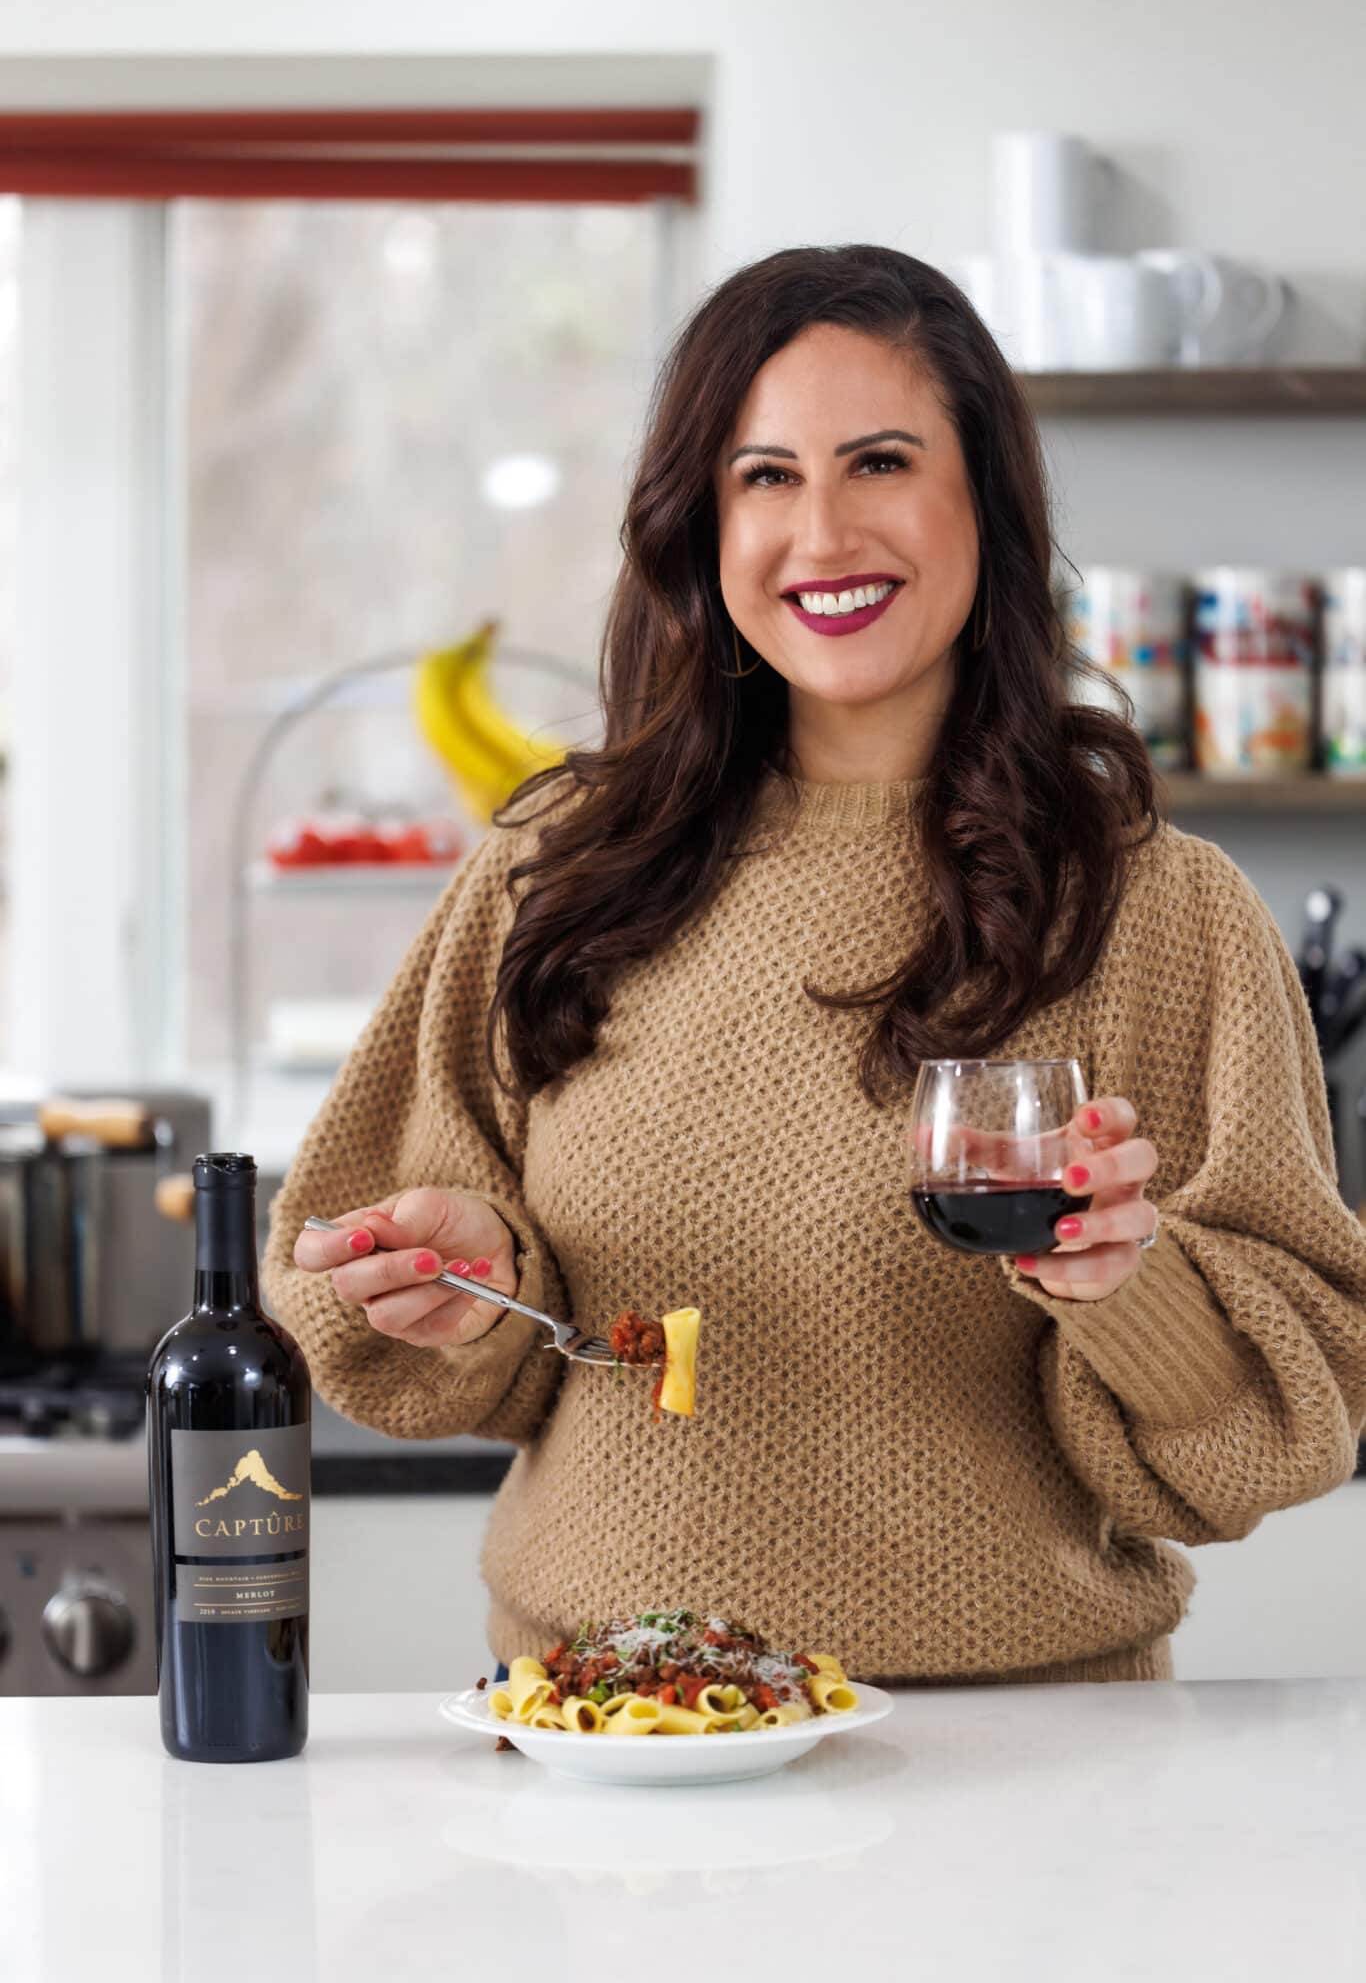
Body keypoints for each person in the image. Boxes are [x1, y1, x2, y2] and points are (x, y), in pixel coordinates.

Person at [263, 243, 1366, 1687]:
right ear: (699, 526)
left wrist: (1132, 1283)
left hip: (1020, 1762)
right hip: (604, 1730)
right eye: (764, 476)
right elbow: (351, 1281)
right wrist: (466, 1285)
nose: (822, 532)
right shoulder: (554, 867)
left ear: (986, 500)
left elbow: (1281, 1423)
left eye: (881, 463)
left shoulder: (1156, 907)